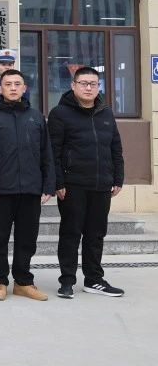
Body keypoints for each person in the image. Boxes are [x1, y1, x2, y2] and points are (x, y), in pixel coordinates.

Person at [48, 66, 125, 298]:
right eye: (83, 83)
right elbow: (53, 151)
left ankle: (94, 279)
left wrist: (118, 177)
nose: (89, 88)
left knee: (96, 234)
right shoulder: (60, 113)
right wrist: (58, 182)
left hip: (101, 184)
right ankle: (67, 281)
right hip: (73, 185)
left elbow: (115, 148)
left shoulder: (106, 113)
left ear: (98, 87)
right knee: (70, 233)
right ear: (73, 85)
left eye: (93, 84)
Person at [0, 69, 56, 301]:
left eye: (17, 84)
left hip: (31, 188)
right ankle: (0, 281)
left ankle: (23, 282)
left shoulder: (36, 117)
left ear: (24, 88)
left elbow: (46, 153)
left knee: (27, 238)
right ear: (0, 89)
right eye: (8, 84)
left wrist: (48, 184)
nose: (13, 88)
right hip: (2, 190)